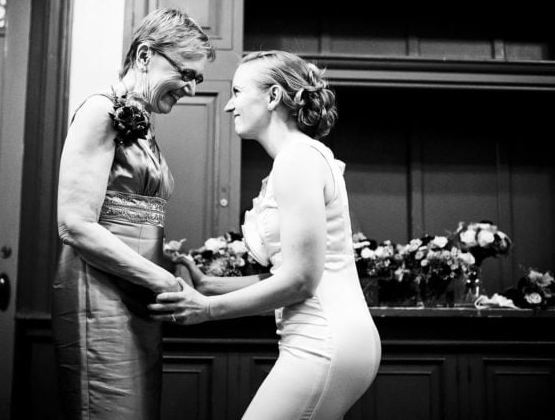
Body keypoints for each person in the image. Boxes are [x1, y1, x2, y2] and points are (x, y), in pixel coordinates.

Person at [150, 50, 382, 419]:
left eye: (238, 92)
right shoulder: (299, 158)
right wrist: (209, 285)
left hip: (323, 339)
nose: (229, 106)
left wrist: (207, 309)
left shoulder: (297, 159)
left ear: (273, 96)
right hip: (337, 337)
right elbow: (293, 273)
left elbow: (301, 282)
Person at [53, 7, 215, 420]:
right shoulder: (99, 111)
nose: (191, 89)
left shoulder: (144, 124)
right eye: (187, 75)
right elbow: (75, 224)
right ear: (145, 56)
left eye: (197, 80)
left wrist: (170, 261)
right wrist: (160, 279)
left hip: (139, 293)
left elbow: (130, 215)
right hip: (101, 293)